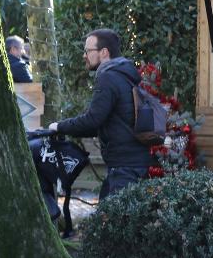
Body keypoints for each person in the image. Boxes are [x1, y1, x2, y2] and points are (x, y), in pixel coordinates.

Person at [49, 29, 154, 200]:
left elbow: (93, 120)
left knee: (114, 222)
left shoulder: (109, 77)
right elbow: (100, 123)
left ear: (104, 52)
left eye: (88, 51)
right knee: (110, 218)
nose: (84, 55)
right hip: (132, 162)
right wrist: (66, 129)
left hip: (124, 167)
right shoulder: (124, 74)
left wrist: (59, 126)